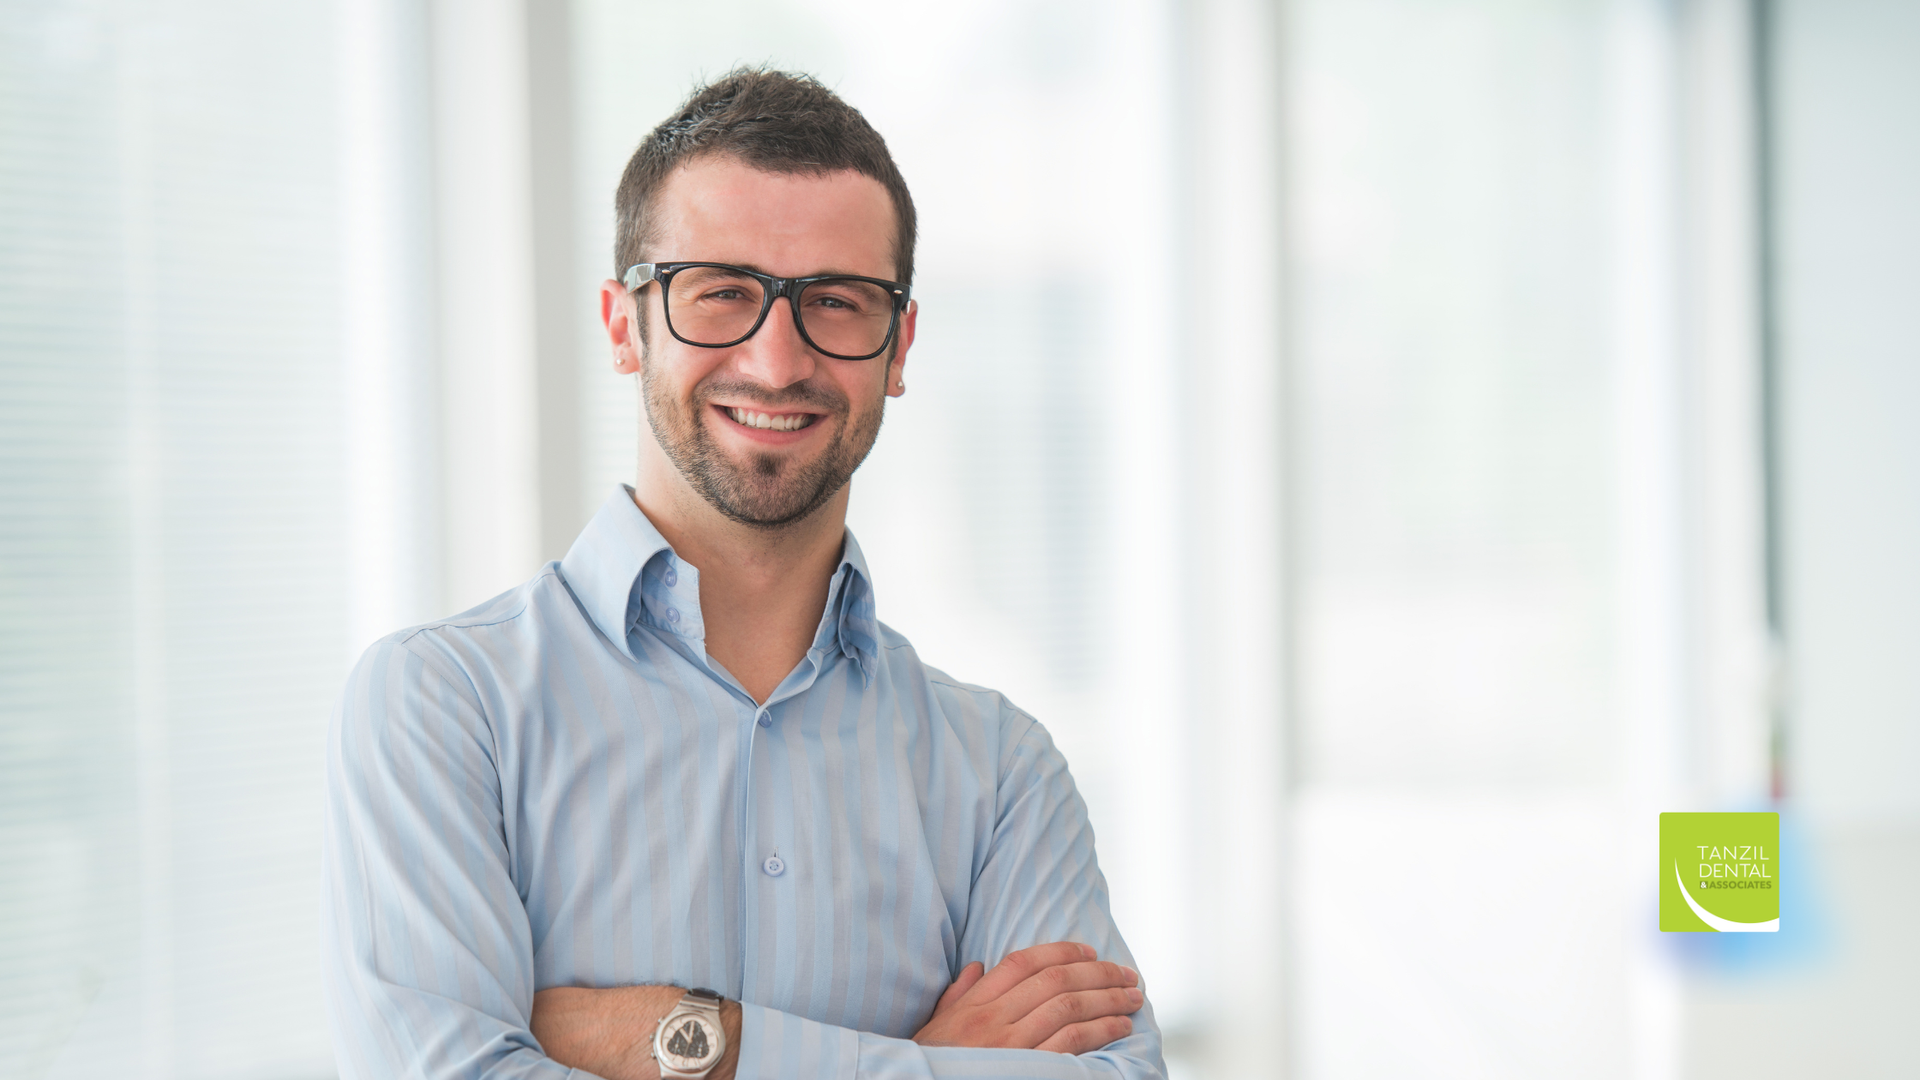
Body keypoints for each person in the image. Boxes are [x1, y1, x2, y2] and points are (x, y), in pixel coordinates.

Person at [322, 68, 1165, 1080]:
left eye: (837, 303)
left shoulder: (1000, 776)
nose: (775, 361)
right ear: (622, 325)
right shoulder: (443, 708)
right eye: (721, 294)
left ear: (897, 346)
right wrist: (925, 1063)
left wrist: (697, 1042)